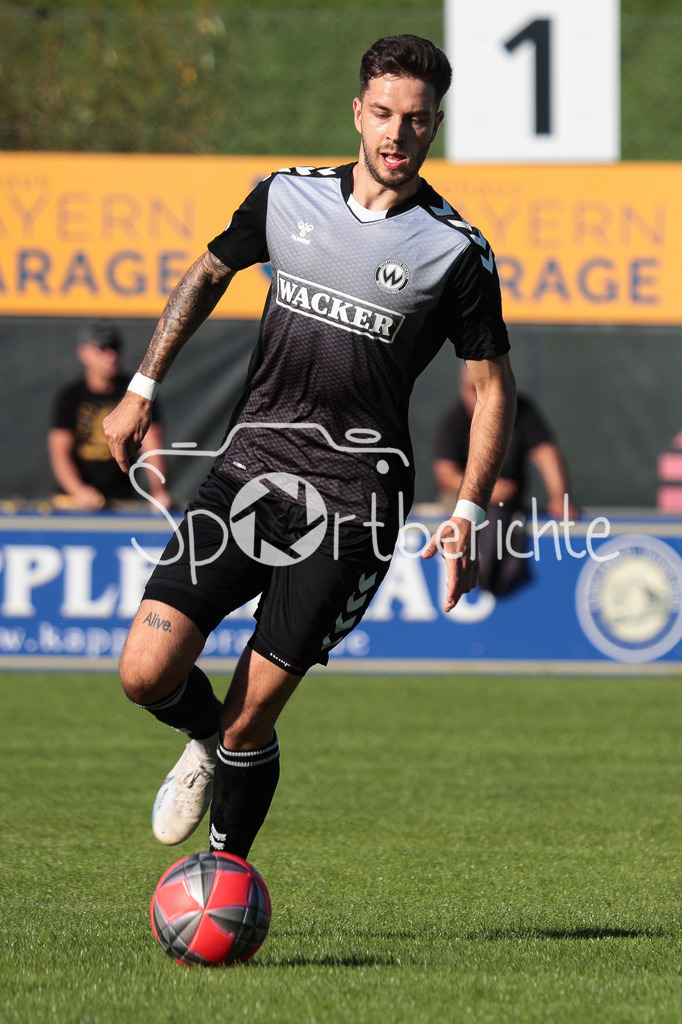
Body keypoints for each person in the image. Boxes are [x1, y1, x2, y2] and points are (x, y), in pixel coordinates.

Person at [102, 35, 517, 859]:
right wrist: (141, 389)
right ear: (358, 113)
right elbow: (208, 272)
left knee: (253, 711)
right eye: (386, 115)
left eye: (419, 120)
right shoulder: (287, 198)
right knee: (144, 673)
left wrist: (467, 515)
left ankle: (222, 873)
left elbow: (493, 390)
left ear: (435, 126)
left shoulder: (456, 250)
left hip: (355, 505)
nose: (399, 135)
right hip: (249, 476)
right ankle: (203, 744)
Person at [433, 366, 576, 596]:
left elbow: (546, 454)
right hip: (462, 507)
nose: (479, 396)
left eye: (485, 388)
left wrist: (561, 497)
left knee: (500, 518)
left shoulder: (521, 411)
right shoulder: (454, 419)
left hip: (504, 510)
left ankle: (493, 576)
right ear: (462, 390)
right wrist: (483, 491)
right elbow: (446, 474)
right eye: (473, 389)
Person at [49, 321, 173, 511]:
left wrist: (158, 491)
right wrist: (79, 491)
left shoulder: (136, 394)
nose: (111, 355)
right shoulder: (71, 396)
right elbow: (60, 453)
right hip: (75, 505)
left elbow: (152, 447)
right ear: (84, 353)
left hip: (121, 503)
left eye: (115, 347)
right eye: (102, 348)